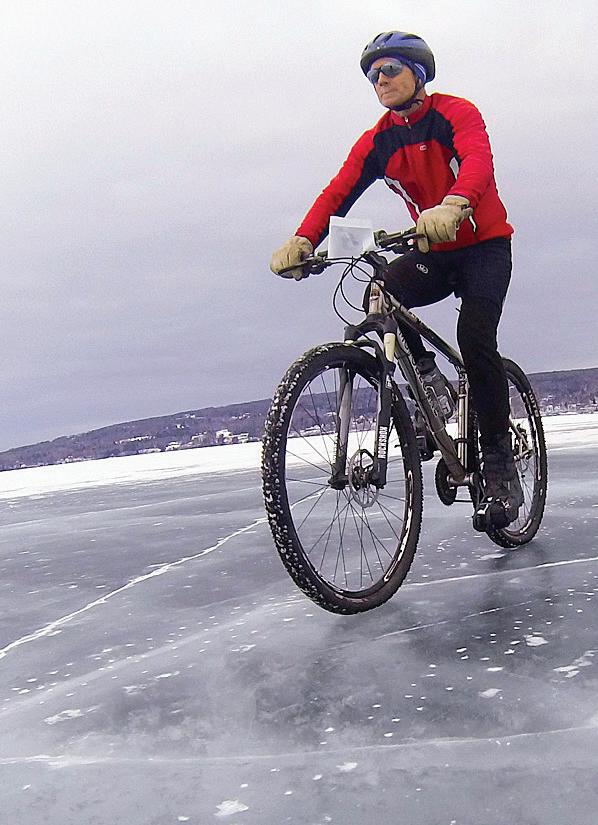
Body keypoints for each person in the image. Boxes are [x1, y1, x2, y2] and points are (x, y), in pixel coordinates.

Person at [269, 30, 523, 529]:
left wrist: (456, 203)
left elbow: (477, 161)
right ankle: (428, 380)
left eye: (389, 69)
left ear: (418, 73)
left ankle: (498, 462)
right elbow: (337, 193)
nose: (379, 80)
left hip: (484, 246)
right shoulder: (378, 140)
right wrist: (303, 239)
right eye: (372, 75)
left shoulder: (455, 113)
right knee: (380, 292)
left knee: (475, 338)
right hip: (430, 250)